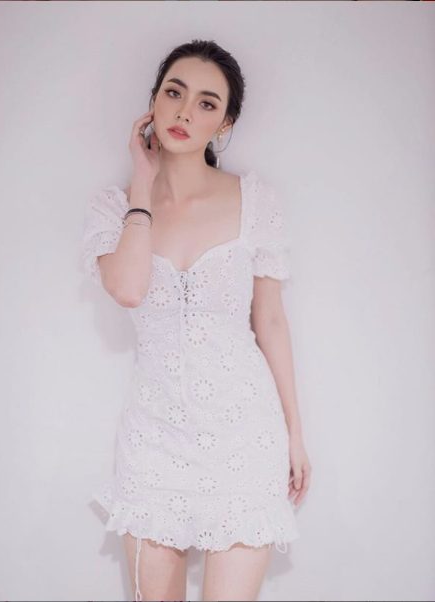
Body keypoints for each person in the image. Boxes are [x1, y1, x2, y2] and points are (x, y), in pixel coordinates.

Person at [82, 39, 311, 602]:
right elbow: (128, 289)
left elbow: (271, 322)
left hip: (244, 435)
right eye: (174, 92)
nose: (185, 112)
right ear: (153, 101)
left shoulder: (254, 201)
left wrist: (295, 434)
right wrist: (142, 183)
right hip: (153, 440)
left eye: (207, 103)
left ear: (224, 123)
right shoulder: (114, 208)